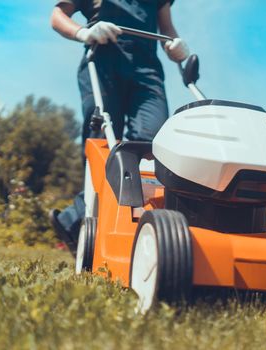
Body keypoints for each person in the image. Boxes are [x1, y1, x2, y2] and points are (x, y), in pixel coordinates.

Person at [48, 0, 189, 251]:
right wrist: (83, 32)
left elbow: (166, 28)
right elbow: (57, 16)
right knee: (103, 143)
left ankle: (90, 221)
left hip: (147, 69)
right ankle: (87, 222)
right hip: (103, 58)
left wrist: (175, 44)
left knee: (151, 143)